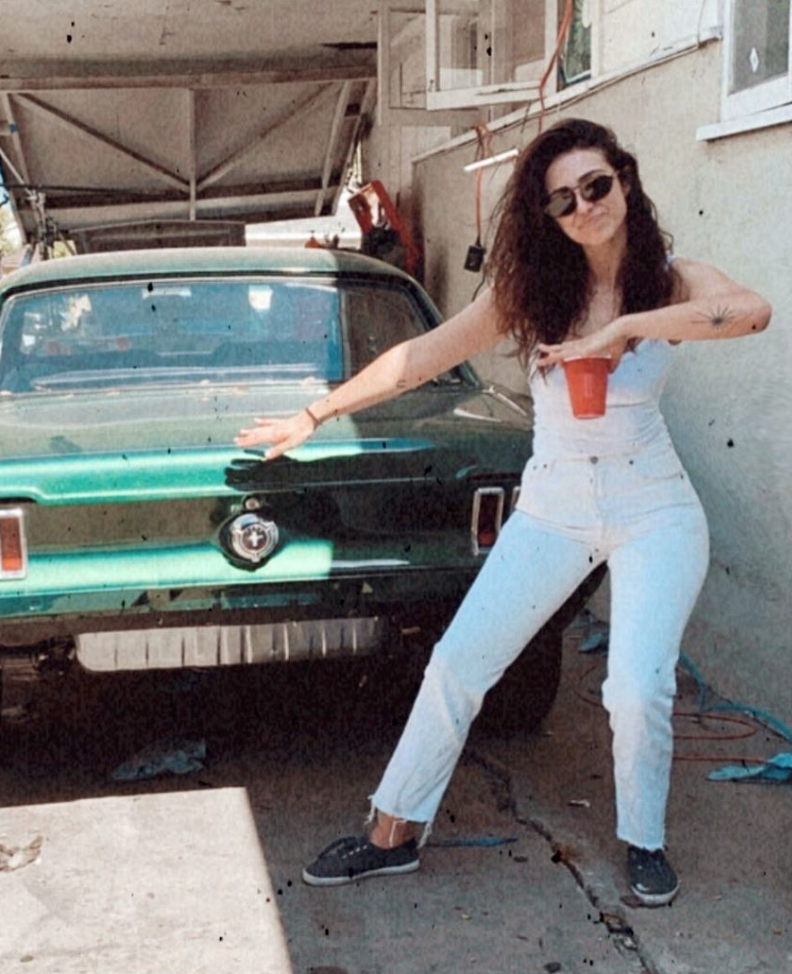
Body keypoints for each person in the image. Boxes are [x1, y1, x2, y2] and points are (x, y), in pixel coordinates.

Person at [234, 118, 771, 906]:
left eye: (596, 186)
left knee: (635, 686)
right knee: (457, 663)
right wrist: (315, 415)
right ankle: (392, 834)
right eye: (563, 200)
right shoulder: (531, 293)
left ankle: (643, 840)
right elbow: (422, 357)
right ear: (546, 216)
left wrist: (623, 330)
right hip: (553, 504)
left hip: (653, 503)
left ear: (624, 180)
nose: (585, 206)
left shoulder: (673, 279)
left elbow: (752, 311)